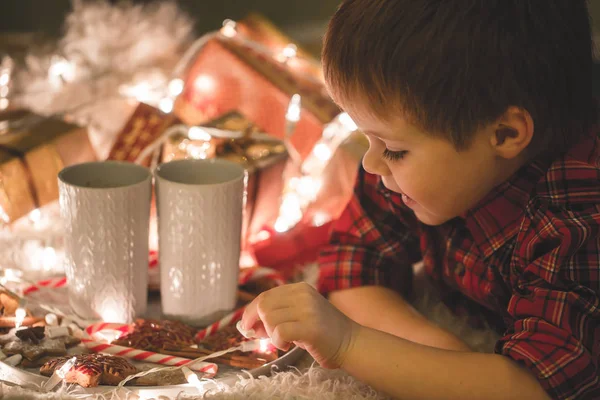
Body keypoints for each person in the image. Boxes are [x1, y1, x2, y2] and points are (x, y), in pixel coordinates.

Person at [240, 1, 600, 399]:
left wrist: (348, 344)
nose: (372, 163)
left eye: (393, 148)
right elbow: (353, 266)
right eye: (367, 137)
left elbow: (531, 389)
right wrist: (447, 357)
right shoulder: (412, 170)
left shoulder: (578, 214)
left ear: (504, 135)